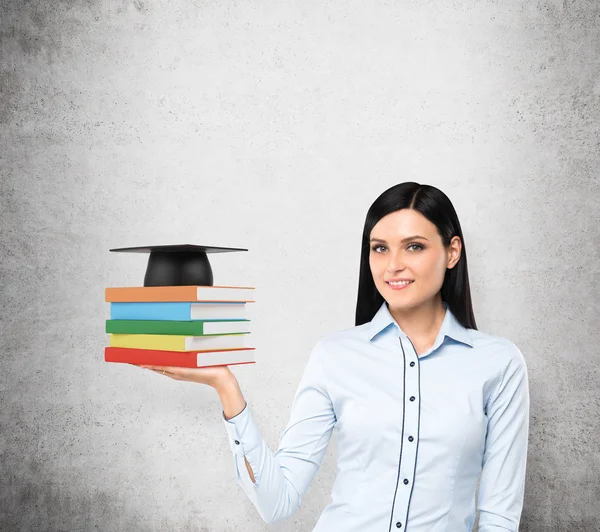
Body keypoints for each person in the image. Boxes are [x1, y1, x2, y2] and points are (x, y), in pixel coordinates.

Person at [140, 182, 530, 531]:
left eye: (414, 246)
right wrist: (225, 385)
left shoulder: (497, 364)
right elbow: (278, 502)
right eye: (380, 248)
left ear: (452, 252)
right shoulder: (335, 356)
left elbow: (499, 517)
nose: (393, 265)